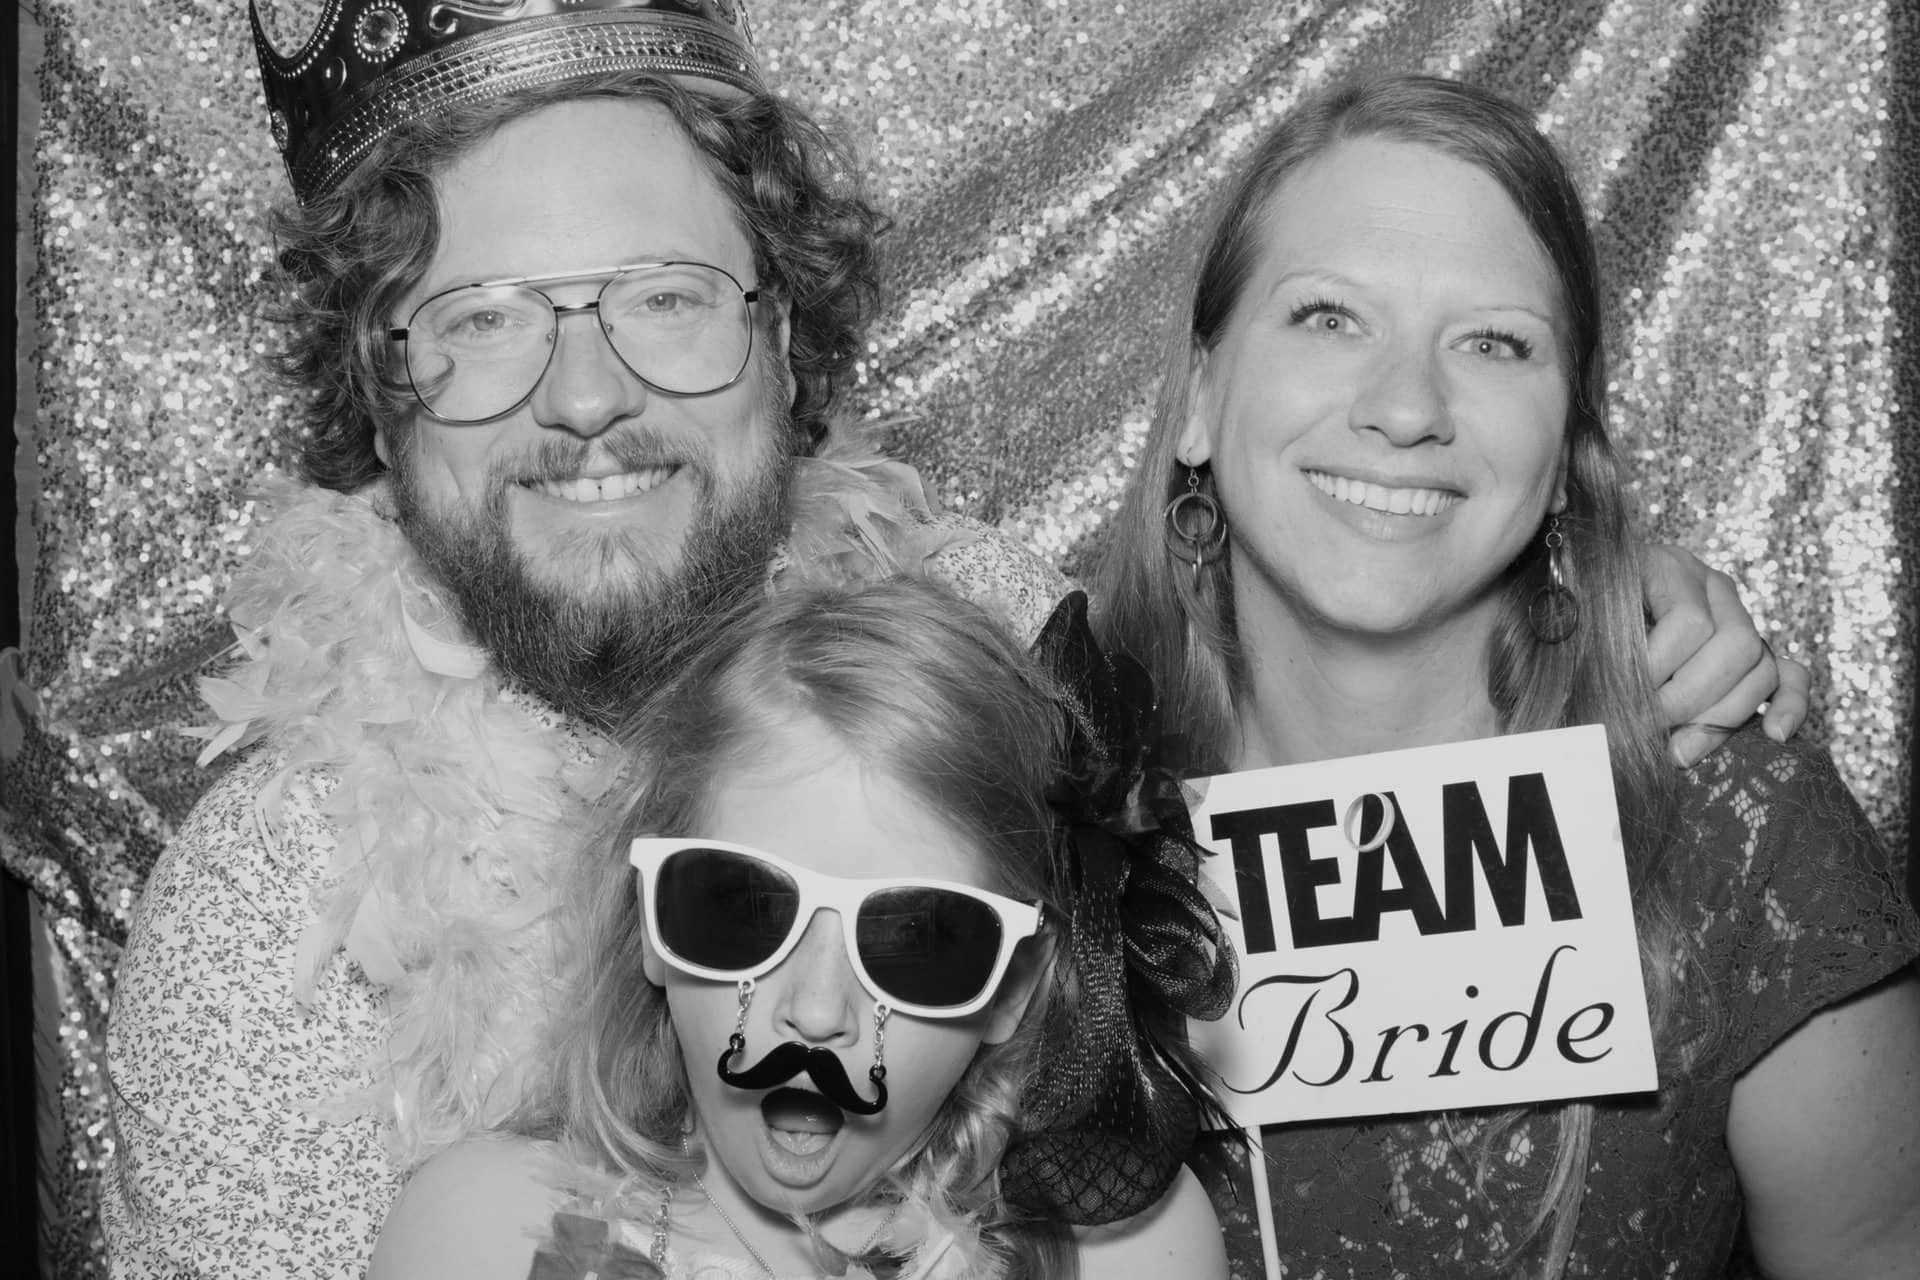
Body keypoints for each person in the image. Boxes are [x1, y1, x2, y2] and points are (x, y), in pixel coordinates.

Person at [100, 1, 1807, 1273]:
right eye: (477, 322)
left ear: (790, 346)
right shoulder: (259, 940)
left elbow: (1304, 619)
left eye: (669, 300)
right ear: (373, 397)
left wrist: (1583, 571)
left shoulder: (1007, 642)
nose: (592, 393)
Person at [1093, 73, 1920, 1278]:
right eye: (1330, 316)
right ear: (1203, 393)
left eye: (1494, 342)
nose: (1409, 405)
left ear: (1566, 442)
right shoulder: (1042, 800)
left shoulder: (1734, 833)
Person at [369, 574, 1239, 1279]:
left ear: (1012, 986)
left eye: (920, 939)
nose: (817, 1013)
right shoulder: (482, 1235)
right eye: (742, 908)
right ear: (651, 920)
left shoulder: (1131, 1253)